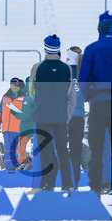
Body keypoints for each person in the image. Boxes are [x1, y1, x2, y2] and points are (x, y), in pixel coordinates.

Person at [78, 10, 112, 203]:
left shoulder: (92, 49)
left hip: (99, 104)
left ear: (99, 27)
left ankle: (95, 192)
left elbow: (83, 79)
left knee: (97, 150)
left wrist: (89, 98)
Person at [31, 35, 76, 191]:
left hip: (43, 115)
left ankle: (48, 185)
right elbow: (69, 93)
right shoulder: (67, 69)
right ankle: (67, 184)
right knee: (63, 150)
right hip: (60, 115)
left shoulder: (37, 67)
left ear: (45, 49)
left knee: (45, 151)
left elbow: (31, 93)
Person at [0, 77, 26, 170]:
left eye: (15, 85)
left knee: (18, 150)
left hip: (19, 129)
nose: (13, 87)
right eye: (11, 85)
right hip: (7, 129)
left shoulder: (24, 97)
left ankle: (19, 168)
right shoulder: (5, 97)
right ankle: (9, 169)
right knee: (8, 150)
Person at [66, 47, 86, 185]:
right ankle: (76, 182)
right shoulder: (84, 72)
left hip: (65, 117)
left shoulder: (64, 71)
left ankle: (66, 181)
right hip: (79, 117)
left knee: (61, 149)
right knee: (76, 151)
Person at [16, 77, 35, 170]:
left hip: (26, 129)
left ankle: (24, 166)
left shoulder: (28, 99)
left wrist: (16, 114)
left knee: (21, 150)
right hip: (34, 129)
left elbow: (26, 116)